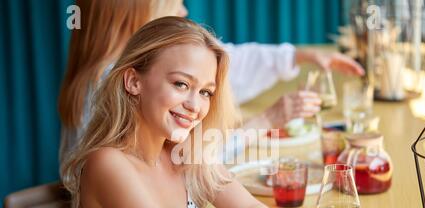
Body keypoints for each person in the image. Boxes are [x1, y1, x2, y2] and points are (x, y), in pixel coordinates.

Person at [61, 16, 374, 208]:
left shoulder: (185, 153)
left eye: (206, 92)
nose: (195, 106)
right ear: (133, 81)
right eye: (181, 84)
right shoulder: (107, 165)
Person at [58, 0, 364, 166]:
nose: (184, 11)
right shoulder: (110, 90)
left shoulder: (109, 74)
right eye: (173, 5)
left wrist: (300, 56)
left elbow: (226, 63)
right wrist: (266, 120)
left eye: (205, 91)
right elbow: (187, 162)